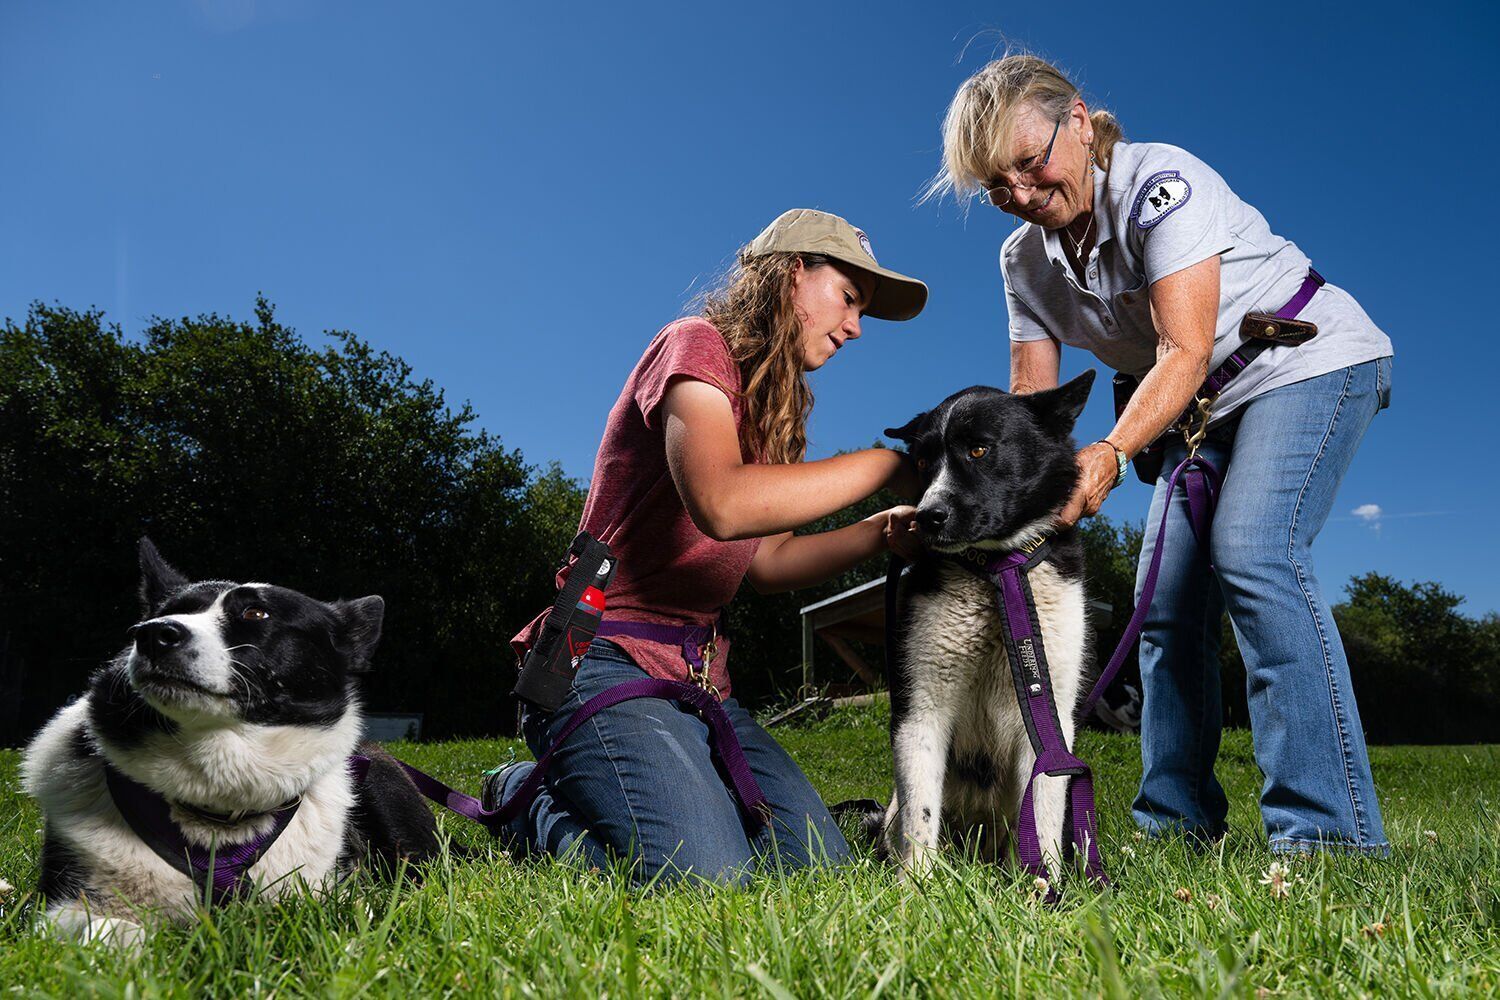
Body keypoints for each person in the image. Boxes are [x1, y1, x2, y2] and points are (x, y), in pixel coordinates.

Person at [928, 54, 1394, 856]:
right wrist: (1006, 523)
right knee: (1166, 605)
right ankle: (1176, 825)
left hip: (1305, 362)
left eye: (1031, 164)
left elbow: (1182, 351)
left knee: (1253, 552)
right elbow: (1033, 422)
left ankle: (1328, 836)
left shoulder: (1159, 185)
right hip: (1199, 412)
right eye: (999, 188)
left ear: (1077, 120)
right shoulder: (1023, 263)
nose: (1025, 197)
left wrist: (1108, 455)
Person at [491, 209, 928, 883]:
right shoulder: (695, 347)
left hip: (699, 683)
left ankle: (673, 788)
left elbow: (770, 564)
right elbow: (722, 504)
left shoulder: (780, 416)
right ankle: (526, 798)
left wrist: (881, 529)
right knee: (708, 882)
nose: (854, 328)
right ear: (793, 276)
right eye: (847, 299)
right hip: (602, 658)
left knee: (818, 869)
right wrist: (885, 466)